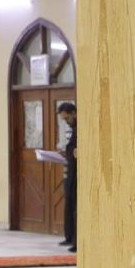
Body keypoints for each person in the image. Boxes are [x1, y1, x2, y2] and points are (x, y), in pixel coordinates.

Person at [57, 102, 78, 253]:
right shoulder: (73, 129)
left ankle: (77, 241)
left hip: (77, 174)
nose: (66, 122)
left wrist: (71, 152)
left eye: (67, 118)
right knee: (69, 204)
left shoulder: (80, 128)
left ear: (74, 113)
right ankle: (69, 236)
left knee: (76, 208)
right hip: (70, 172)